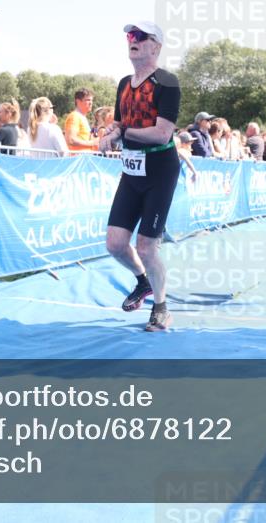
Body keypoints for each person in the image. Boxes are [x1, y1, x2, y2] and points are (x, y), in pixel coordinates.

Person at [100, 21, 181, 332]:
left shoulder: (167, 83)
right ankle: (142, 281)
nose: (131, 41)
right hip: (132, 170)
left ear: (156, 46)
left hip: (160, 170)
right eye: (129, 36)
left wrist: (123, 135)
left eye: (139, 37)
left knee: (147, 246)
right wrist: (110, 133)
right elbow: (120, 125)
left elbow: (162, 134)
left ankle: (161, 307)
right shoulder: (123, 83)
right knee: (115, 244)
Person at [64, 87, 100, 152]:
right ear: (78, 101)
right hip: (78, 159)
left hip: (84, 159)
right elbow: (71, 140)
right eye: (88, 100)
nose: (91, 103)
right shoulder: (74, 116)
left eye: (91, 100)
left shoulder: (82, 117)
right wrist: (92, 143)